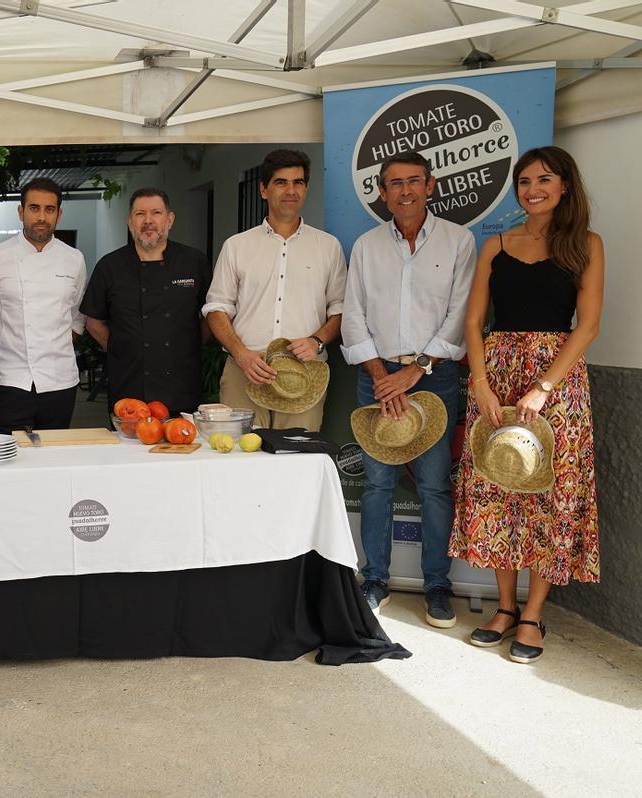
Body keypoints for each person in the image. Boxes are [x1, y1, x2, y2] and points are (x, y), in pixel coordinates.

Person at [449, 146, 603, 663]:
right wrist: (482, 383)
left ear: (564, 186)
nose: (532, 189)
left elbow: (588, 325)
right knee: (500, 484)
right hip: (496, 372)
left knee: (547, 497)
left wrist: (544, 386)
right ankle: (505, 606)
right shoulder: (494, 245)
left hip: (556, 381)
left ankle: (535, 613)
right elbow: (473, 322)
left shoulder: (586, 244)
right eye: (524, 181)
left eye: (544, 179)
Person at [341, 151, 476, 628]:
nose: (405, 191)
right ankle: (374, 580)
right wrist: (382, 376)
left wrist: (416, 370)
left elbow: (458, 315)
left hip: (433, 378)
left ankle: (437, 586)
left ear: (431, 184)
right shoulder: (366, 245)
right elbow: (353, 314)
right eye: (394, 183)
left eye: (413, 181)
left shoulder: (458, 242)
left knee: (435, 485)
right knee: (377, 483)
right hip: (376, 379)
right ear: (382, 192)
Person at [203, 149, 346, 430]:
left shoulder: (328, 247)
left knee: (295, 463)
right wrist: (241, 353)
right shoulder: (237, 246)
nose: (291, 190)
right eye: (281, 182)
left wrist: (317, 341)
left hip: (303, 375)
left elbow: (340, 309)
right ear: (263, 189)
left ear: (306, 188)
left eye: (298, 182)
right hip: (246, 370)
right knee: (240, 461)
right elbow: (216, 308)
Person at [80, 188, 212, 416]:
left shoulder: (194, 262)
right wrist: (124, 348)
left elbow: (213, 314)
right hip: (129, 383)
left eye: (156, 213)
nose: (148, 221)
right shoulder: (109, 267)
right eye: (140, 214)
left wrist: (186, 346)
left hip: (181, 384)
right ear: (130, 221)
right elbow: (93, 322)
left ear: (169, 220)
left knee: (180, 446)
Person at [0, 177, 86, 433]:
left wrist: (51, 348)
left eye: (49, 209)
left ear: (59, 215)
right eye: (34, 208)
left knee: (53, 461)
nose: (41, 217)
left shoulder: (74, 259)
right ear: (21, 211)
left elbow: (76, 317)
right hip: (10, 381)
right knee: (9, 460)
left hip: (60, 383)